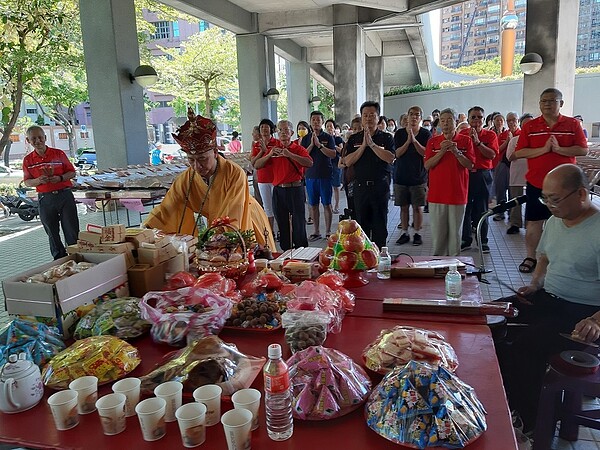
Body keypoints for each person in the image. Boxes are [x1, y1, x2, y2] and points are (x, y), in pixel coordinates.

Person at [496, 164, 600, 435]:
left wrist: (595, 320)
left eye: (555, 199)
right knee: (491, 317)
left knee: (525, 347)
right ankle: (507, 399)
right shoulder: (555, 221)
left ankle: (530, 421)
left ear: (581, 194)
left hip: (583, 312)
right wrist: (535, 283)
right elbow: (543, 256)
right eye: (545, 198)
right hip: (548, 298)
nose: (549, 205)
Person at [145, 109, 276, 250]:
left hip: (245, 220)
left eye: (202, 159)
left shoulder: (235, 173)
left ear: (214, 153)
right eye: (191, 160)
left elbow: (233, 211)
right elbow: (168, 207)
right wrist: (145, 230)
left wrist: (214, 239)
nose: (197, 166)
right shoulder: (187, 178)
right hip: (216, 228)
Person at [514, 88, 588, 273]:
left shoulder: (572, 124)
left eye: (552, 100)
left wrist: (560, 149)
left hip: (566, 187)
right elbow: (520, 152)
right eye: (543, 101)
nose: (547, 104)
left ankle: (563, 258)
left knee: (566, 222)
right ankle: (531, 256)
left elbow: (582, 150)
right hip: (537, 184)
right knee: (534, 222)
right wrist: (544, 150)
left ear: (561, 103)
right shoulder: (530, 126)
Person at [254, 120, 313, 250]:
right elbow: (257, 165)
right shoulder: (273, 150)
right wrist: (269, 154)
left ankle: (302, 251)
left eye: (286, 130)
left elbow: (309, 163)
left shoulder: (298, 148)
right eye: (280, 130)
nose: (283, 133)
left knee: (298, 223)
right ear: (277, 133)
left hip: (296, 189)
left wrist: (290, 155)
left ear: (292, 132)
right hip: (279, 191)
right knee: (282, 223)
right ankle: (286, 252)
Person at [344, 101, 395, 249]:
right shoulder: (354, 139)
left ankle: (380, 261)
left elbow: (390, 158)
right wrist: (363, 146)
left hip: (380, 187)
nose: (368, 118)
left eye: (372, 115)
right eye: (365, 115)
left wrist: (372, 144)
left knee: (380, 227)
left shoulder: (386, 138)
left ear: (378, 118)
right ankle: (364, 261)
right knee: (361, 228)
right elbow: (347, 161)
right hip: (360, 189)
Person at [22, 125, 79, 260]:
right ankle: (59, 261)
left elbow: (72, 172)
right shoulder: (28, 160)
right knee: (52, 232)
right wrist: (37, 180)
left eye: (40, 137)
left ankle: (77, 257)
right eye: (33, 139)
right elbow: (27, 182)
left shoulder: (58, 154)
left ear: (45, 138)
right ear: (28, 141)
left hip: (64, 195)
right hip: (45, 199)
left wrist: (59, 178)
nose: (38, 141)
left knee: (71, 230)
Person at [424, 108, 475, 256]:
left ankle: (453, 268)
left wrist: (456, 152)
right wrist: (441, 152)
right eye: (443, 120)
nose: (445, 123)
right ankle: (438, 266)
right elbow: (427, 165)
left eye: (449, 120)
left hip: (457, 194)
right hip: (436, 196)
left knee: (455, 234)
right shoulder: (433, 142)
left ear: (456, 122)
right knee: (438, 235)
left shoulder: (466, 141)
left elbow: (470, 165)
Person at [460, 106, 499, 254]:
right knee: (466, 208)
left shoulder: (490, 135)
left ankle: (483, 240)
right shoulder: (462, 134)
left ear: (484, 119)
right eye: (473, 117)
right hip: (466, 175)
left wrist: (477, 142)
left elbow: (492, 155)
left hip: (483, 175)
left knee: (482, 209)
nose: (476, 120)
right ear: (468, 120)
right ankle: (465, 239)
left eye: (479, 117)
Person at [393, 106, 431, 246]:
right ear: (407, 117)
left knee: (417, 207)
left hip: (418, 177)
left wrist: (414, 141)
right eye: (411, 114)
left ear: (421, 118)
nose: (414, 117)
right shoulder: (399, 134)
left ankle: (417, 233)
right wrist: (408, 141)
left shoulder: (425, 134)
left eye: (417, 115)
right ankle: (404, 233)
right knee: (403, 207)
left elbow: (426, 153)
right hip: (401, 176)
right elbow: (397, 153)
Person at [301, 111, 336, 241]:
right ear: (310, 122)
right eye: (313, 119)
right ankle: (316, 231)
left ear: (322, 122)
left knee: (327, 204)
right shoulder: (305, 138)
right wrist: (311, 144)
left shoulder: (328, 137)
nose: (315, 122)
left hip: (325, 175)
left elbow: (332, 154)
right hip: (310, 176)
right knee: (313, 204)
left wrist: (319, 145)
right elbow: (302, 155)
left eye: (318, 120)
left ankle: (328, 231)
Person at [505, 113, 532, 234]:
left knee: (532, 201)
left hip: (533, 175)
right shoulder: (514, 140)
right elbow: (509, 157)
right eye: (525, 125)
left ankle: (530, 224)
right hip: (517, 174)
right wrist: (524, 150)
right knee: (516, 200)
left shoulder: (539, 140)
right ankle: (515, 224)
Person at [251, 119, 277, 234]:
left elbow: (275, 160)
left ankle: (282, 231)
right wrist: (262, 151)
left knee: (278, 207)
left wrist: (266, 151)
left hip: (276, 179)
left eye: (266, 127)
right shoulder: (256, 145)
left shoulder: (277, 142)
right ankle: (270, 233)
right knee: (267, 208)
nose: (264, 129)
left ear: (271, 129)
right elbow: (254, 163)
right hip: (262, 179)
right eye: (262, 127)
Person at [325, 119, 343, 215]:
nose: (329, 128)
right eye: (327, 126)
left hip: (336, 164)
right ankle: (329, 205)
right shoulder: (324, 139)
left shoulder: (338, 139)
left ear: (334, 128)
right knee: (328, 186)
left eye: (331, 126)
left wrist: (334, 146)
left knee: (336, 186)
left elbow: (342, 150)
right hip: (326, 165)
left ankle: (336, 205)